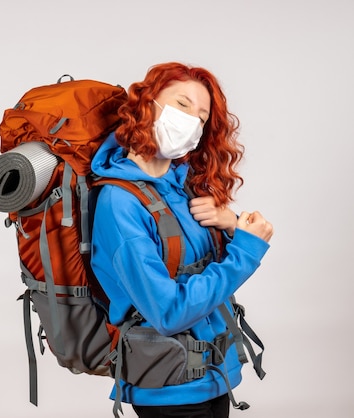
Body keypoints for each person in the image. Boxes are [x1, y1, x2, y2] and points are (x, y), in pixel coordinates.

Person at [90, 62, 273, 418]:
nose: (192, 122)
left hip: (213, 374)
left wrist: (231, 224)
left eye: (202, 117)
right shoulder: (119, 204)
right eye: (182, 105)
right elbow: (169, 312)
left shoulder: (182, 187)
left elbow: (197, 268)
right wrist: (247, 250)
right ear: (146, 105)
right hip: (170, 389)